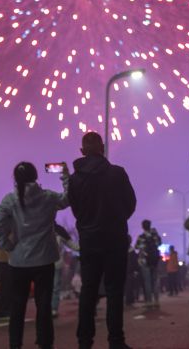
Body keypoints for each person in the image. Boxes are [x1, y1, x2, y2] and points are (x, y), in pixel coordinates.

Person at [68, 131, 136, 349]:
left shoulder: (75, 179)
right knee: (115, 291)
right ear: (103, 148)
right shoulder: (117, 173)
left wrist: (88, 224)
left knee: (88, 291)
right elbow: (130, 203)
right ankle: (116, 341)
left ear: (82, 152)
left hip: (89, 240)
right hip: (115, 239)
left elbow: (76, 209)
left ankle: (84, 341)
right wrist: (116, 220)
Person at [0, 161, 69, 349]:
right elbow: (68, 199)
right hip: (44, 260)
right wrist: (66, 176)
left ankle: (15, 343)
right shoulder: (48, 197)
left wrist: (7, 245)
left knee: (17, 307)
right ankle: (45, 342)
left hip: (18, 262)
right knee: (44, 305)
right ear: (36, 176)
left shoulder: (10, 200)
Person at [52, 223, 79, 318]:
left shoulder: (59, 230)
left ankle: (53, 309)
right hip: (42, 263)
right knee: (46, 287)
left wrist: (83, 247)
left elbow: (71, 244)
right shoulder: (39, 226)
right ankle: (46, 308)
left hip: (56, 263)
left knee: (55, 287)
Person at [135, 220, 162, 307]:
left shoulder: (141, 237)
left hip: (144, 262)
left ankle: (149, 301)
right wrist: (156, 234)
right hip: (154, 261)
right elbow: (159, 244)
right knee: (155, 281)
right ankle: (156, 300)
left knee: (147, 282)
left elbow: (136, 247)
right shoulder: (154, 236)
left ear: (143, 227)